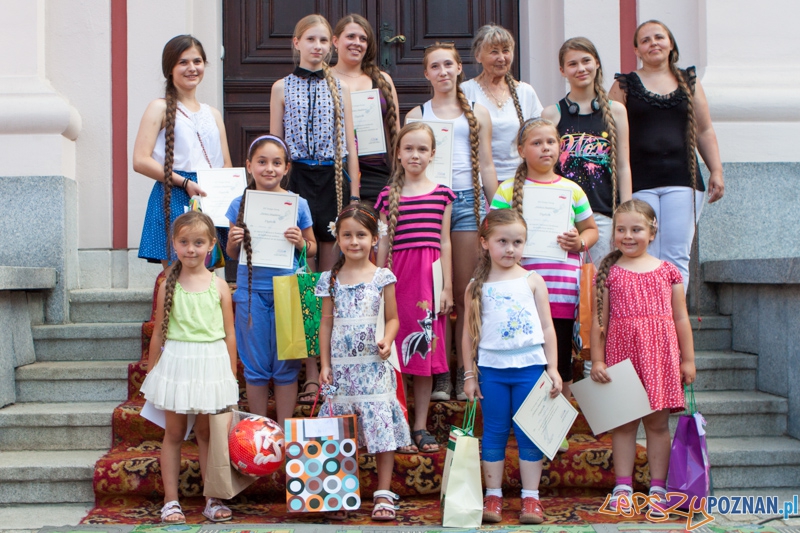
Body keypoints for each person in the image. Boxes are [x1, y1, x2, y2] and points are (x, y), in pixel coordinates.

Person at [270, 14, 360, 401]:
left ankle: (331, 365)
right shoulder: (281, 87)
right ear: (296, 42)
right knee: (303, 280)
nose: (318, 46)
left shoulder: (340, 87)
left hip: (333, 181)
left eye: (324, 40)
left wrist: (354, 193)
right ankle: (309, 372)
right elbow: (273, 141)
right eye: (311, 39)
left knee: (328, 278)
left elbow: (351, 144)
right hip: (298, 180)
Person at [590, 199, 696, 517]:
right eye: (621, 229)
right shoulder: (609, 273)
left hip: (660, 356)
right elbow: (599, 322)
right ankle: (623, 486)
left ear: (652, 231)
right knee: (623, 426)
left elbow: (681, 319)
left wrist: (687, 359)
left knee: (657, 425)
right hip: (622, 356)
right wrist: (597, 360)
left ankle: (658, 488)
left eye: (636, 229)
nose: (628, 235)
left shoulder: (668, 272)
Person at [406, 42, 497, 404]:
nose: (443, 71)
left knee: (464, 291)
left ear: (460, 68)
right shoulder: (417, 114)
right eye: (435, 66)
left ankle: (465, 369)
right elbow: (407, 163)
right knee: (435, 291)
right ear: (426, 74)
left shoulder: (479, 113)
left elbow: (487, 165)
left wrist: (498, 208)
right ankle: (439, 370)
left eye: (449, 64)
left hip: (466, 201)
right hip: (428, 202)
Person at [461, 209, 562, 525]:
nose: (510, 248)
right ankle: (493, 494)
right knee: (494, 431)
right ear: (484, 242)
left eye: (517, 242)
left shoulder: (533, 281)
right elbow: (468, 334)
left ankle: (531, 499)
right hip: (492, 371)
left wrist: (554, 369)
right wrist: (469, 374)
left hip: (530, 368)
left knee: (529, 433)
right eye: (502, 241)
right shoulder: (476, 285)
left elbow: (547, 328)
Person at [140, 211, 239, 524]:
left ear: (212, 244)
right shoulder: (168, 283)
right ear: (174, 244)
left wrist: (232, 374)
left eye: (199, 242)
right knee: (174, 432)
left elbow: (229, 333)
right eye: (184, 242)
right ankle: (171, 501)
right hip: (178, 364)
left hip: (211, 363)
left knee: (208, 433)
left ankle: (213, 497)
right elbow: (158, 331)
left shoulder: (220, 285)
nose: (191, 249)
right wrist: (152, 369)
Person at [491, 119, 598, 407]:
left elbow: (592, 230)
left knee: (561, 360)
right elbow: (491, 230)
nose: (544, 148)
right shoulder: (507, 190)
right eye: (536, 143)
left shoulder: (572, 190)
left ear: (560, 147)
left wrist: (580, 242)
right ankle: (527, 420)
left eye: (550, 142)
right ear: (521, 149)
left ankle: (556, 426)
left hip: (561, 290)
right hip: (519, 291)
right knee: (527, 360)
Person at [609, 20, 724, 288]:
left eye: (659, 37)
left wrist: (716, 170)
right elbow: (610, 138)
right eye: (646, 40)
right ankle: (649, 320)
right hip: (638, 184)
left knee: (675, 257)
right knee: (643, 255)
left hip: (682, 182)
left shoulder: (688, 81)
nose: (653, 44)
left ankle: (671, 325)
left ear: (670, 43)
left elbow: (704, 131)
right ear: (637, 50)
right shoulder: (623, 85)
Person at [317, 204, 412, 521]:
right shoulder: (330, 279)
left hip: (373, 368)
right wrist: (325, 364)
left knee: (381, 429)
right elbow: (326, 324)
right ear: (337, 238)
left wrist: (388, 339)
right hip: (342, 372)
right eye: (347, 235)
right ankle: (340, 492)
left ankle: (383, 494)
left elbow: (394, 318)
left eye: (361, 235)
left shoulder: (382, 277)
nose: (354, 241)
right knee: (341, 431)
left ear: (374, 239)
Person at [225, 135, 316, 425]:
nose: (269, 168)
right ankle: (259, 431)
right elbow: (230, 253)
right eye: (262, 162)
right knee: (255, 367)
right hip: (251, 292)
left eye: (276, 163)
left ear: (287, 167)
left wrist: (301, 242)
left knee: (287, 366)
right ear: (249, 166)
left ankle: (286, 431)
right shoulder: (239, 204)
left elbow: (313, 248)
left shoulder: (298, 205)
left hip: (287, 291)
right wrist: (233, 241)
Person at [375, 122, 455, 454]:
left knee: (422, 356)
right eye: (408, 148)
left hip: (428, 285)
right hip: (396, 283)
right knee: (395, 356)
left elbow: (446, 243)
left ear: (433, 154)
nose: (415, 154)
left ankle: (420, 426)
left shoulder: (442, 194)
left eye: (422, 149)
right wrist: (377, 286)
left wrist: (447, 287)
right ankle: (399, 423)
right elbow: (382, 246)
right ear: (398, 153)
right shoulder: (386, 196)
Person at [134, 35, 232, 267]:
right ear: (170, 68)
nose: (192, 68)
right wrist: (185, 183)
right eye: (183, 62)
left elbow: (225, 164)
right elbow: (140, 160)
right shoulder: (159, 107)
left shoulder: (213, 114)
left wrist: (221, 193)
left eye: (197, 62)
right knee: (176, 276)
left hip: (209, 196)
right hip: (174, 194)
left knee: (206, 276)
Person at [542, 37, 632, 266]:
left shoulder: (617, 111)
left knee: (598, 288)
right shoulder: (552, 114)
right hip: (564, 215)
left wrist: (626, 213)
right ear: (562, 70)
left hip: (603, 213)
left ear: (597, 64)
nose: (581, 68)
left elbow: (623, 165)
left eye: (586, 61)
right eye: (573, 64)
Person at [331, 14, 401, 206]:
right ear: (335, 41)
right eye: (351, 37)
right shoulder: (324, 79)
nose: (357, 43)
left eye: (363, 39)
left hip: (376, 170)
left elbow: (394, 131)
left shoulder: (383, 80)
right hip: (335, 170)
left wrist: (398, 173)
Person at [462, 24, 543, 182]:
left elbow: (538, 135)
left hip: (519, 179)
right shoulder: (466, 91)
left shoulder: (525, 92)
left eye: (506, 51)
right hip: (477, 181)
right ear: (478, 56)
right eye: (494, 51)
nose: (501, 58)